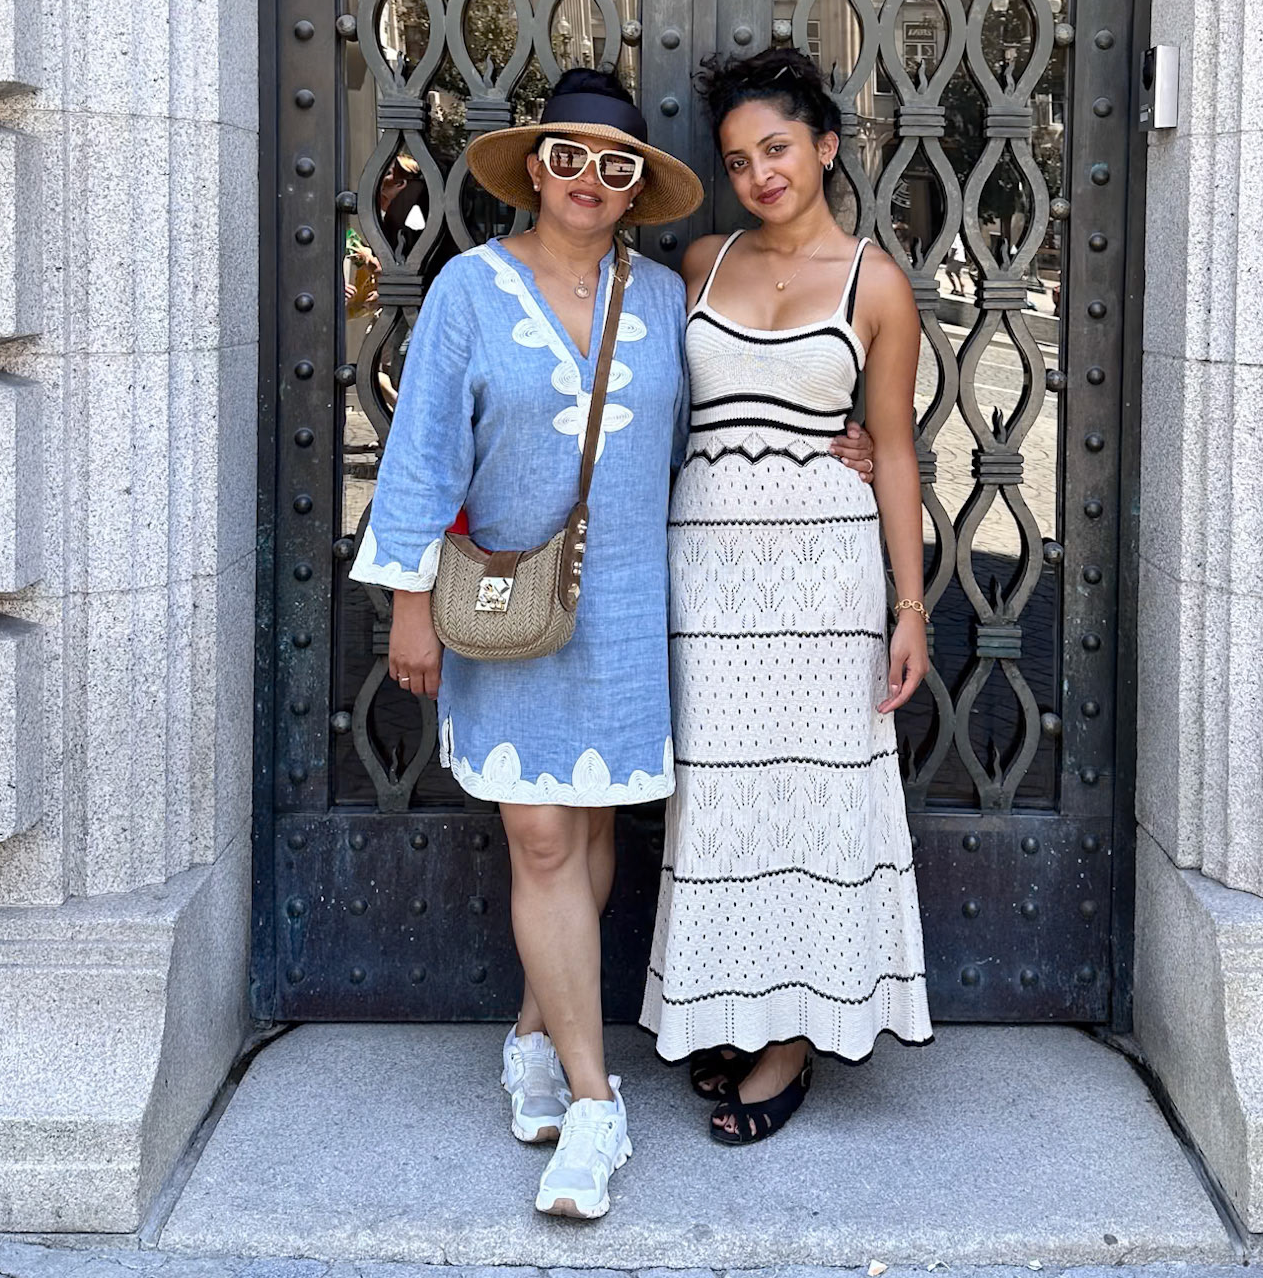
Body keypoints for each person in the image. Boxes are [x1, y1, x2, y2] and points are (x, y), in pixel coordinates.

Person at [351, 67, 875, 1219]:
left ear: (638, 186)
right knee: (542, 833)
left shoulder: (664, 296)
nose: (589, 178)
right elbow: (423, 447)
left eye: (616, 163)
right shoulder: (471, 290)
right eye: (569, 157)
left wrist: (847, 442)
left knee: (587, 837)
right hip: (509, 607)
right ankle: (596, 1103)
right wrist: (408, 601)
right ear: (534, 169)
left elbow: (731, 404)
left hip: (631, 608)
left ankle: (533, 1034)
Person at [641, 48, 934, 1143]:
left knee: (813, 798)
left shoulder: (876, 283)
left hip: (825, 578)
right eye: (737, 159)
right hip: (708, 577)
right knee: (720, 798)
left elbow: (892, 450)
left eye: (776, 148)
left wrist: (910, 607)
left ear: (825, 147)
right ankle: (733, 1007)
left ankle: (793, 1038)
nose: (759, 173)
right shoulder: (700, 261)